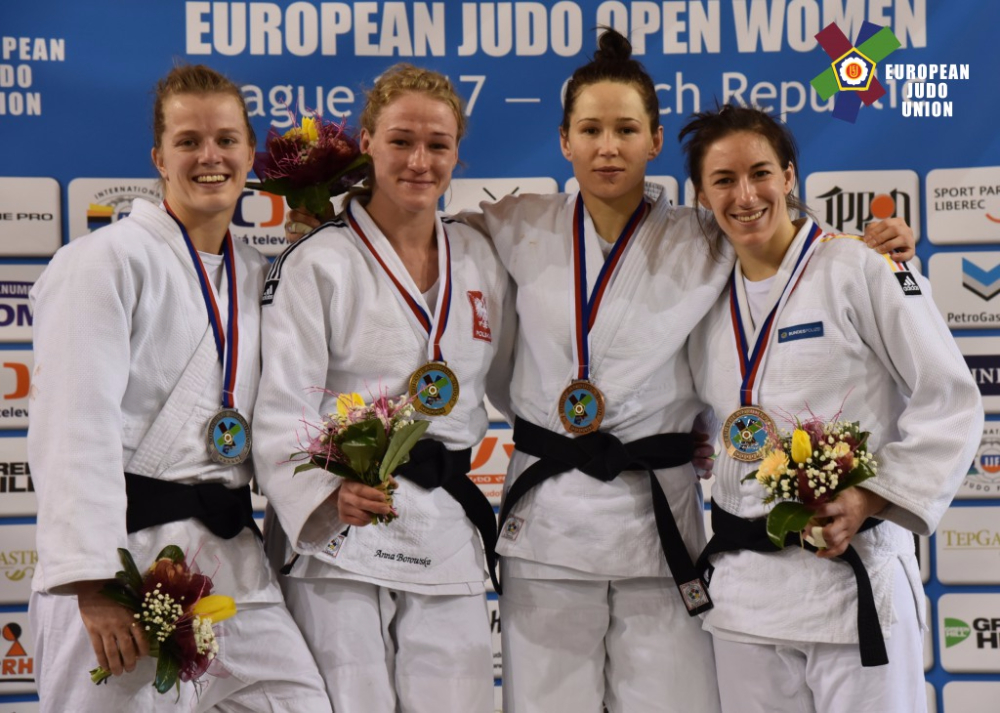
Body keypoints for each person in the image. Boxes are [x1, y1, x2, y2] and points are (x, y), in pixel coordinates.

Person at [283, 32, 914, 713]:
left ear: (655, 140)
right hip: (549, 524)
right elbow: (410, 231)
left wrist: (859, 247)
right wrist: (320, 223)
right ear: (564, 141)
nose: (607, 147)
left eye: (626, 129)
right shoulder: (516, 224)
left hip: (659, 519)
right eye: (590, 130)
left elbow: (775, 239)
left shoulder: (704, 237)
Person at [27, 65, 332, 713]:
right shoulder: (103, 262)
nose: (209, 156)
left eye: (226, 140)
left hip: (231, 559)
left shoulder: (259, 275)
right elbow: (71, 426)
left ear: (250, 154)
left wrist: (316, 260)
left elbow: (289, 407)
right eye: (188, 141)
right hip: (127, 561)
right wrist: (91, 582)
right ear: (158, 158)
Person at [681, 104, 982, 713]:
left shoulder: (861, 266)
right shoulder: (701, 295)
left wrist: (870, 497)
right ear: (702, 196)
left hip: (851, 582)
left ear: (789, 176)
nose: (746, 195)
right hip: (745, 597)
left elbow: (949, 398)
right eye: (724, 180)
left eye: (761, 173)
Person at [253, 63, 514, 713]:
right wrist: (325, 492)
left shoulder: (481, 259)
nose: (420, 161)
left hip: (446, 526)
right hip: (343, 535)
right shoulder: (319, 262)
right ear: (367, 142)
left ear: (457, 151)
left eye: (438, 144)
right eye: (401, 141)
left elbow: (520, 384)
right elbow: (281, 408)